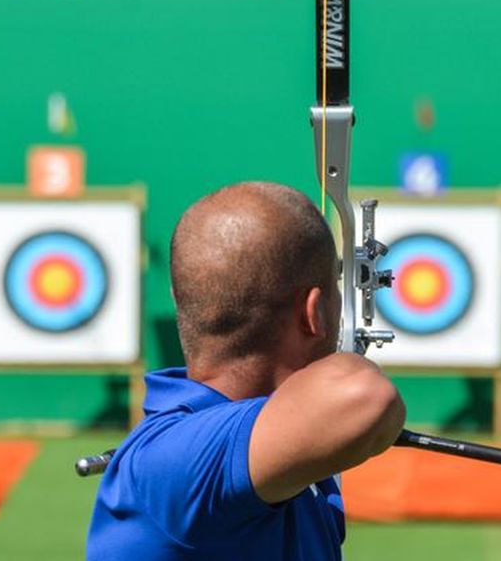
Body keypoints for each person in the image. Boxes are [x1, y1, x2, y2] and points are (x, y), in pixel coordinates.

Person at [86, 181, 406, 561]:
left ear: (180, 299)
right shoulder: (176, 460)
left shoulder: (257, 456)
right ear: (314, 312)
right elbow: (366, 398)